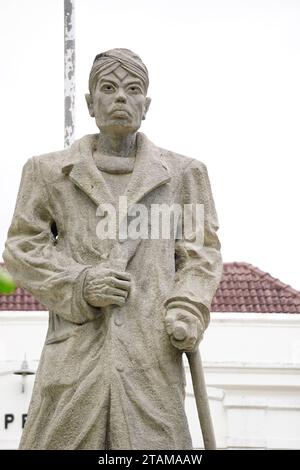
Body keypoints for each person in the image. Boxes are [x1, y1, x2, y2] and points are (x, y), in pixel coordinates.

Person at [3, 48, 222, 450]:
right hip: (74, 359)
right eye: (108, 88)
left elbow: (200, 255)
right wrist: (80, 284)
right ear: (90, 103)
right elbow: (21, 247)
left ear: (146, 104)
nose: (121, 97)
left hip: (151, 357)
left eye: (133, 89)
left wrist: (188, 307)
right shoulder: (47, 173)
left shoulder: (185, 175)